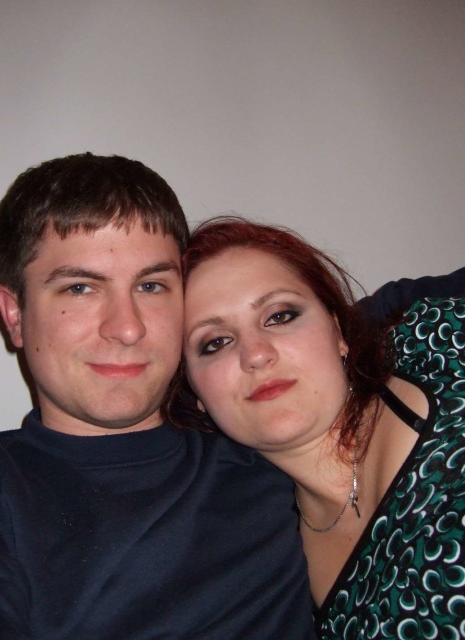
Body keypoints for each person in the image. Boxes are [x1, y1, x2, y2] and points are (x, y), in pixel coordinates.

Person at [0, 155, 315, 639]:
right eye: (80, 288)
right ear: (14, 315)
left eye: (151, 285)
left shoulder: (266, 445)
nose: (127, 327)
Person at [167, 216, 465, 640]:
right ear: (196, 394)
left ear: (338, 331)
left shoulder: (441, 347)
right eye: (215, 342)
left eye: (279, 315)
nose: (256, 354)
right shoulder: (273, 579)